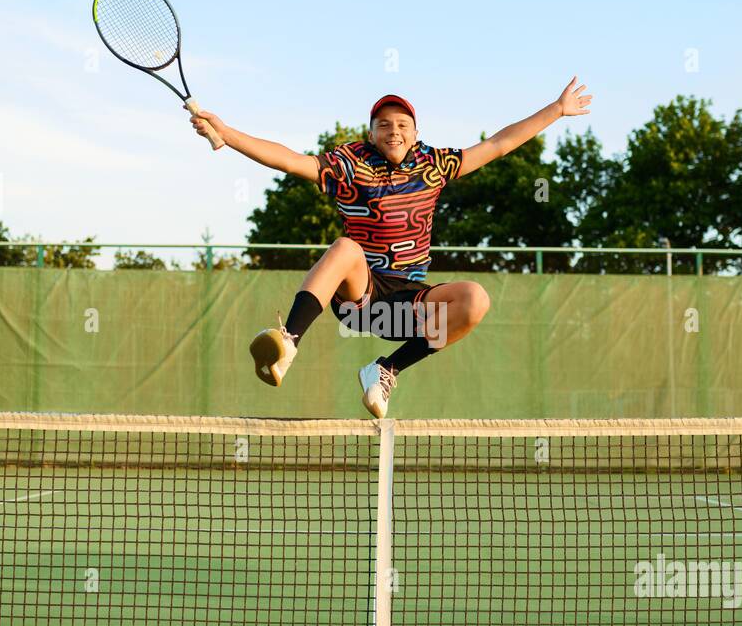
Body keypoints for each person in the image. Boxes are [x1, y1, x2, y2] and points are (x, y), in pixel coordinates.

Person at [190, 78, 592, 418]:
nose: (393, 131)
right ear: (371, 134)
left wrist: (557, 110)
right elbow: (291, 161)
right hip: (359, 294)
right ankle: (289, 341)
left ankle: (385, 371)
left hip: (404, 307)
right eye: (383, 124)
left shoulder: (434, 164)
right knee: (347, 247)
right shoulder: (350, 162)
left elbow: (499, 144)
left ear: (415, 133)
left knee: (476, 300)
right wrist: (228, 135)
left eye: (402, 124)